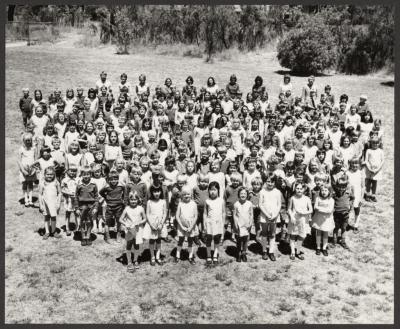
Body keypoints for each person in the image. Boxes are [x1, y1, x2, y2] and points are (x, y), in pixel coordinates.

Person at [119, 192, 146, 272]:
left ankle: (135, 260)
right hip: (129, 230)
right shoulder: (127, 209)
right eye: (131, 199)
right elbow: (120, 219)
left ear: (138, 200)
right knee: (129, 245)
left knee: (136, 245)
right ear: (129, 200)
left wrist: (139, 222)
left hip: (138, 229)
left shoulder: (141, 208)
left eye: (135, 199)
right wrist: (125, 224)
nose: (133, 201)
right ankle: (129, 262)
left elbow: (145, 219)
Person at [143, 184, 168, 266]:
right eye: (154, 191)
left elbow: (164, 213)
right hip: (152, 224)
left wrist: (161, 224)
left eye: (158, 191)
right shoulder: (149, 202)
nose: (157, 193)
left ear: (161, 192)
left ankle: (158, 256)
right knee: (152, 240)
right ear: (152, 192)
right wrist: (151, 225)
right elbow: (147, 214)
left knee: (158, 240)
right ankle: (152, 256)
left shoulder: (163, 202)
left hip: (160, 224)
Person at [99, 170, 126, 244]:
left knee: (119, 221)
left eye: (115, 179)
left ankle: (118, 235)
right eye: (111, 179)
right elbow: (101, 192)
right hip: (109, 207)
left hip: (119, 206)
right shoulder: (107, 187)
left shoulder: (121, 186)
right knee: (107, 222)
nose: (114, 181)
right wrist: (106, 197)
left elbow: (125, 190)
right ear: (109, 180)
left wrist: (123, 198)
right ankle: (107, 236)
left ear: (118, 178)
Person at [287, 181, 313, 260]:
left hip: (303, 219)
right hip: (294, 219)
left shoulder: (307, 199)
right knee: (293, 235)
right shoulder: (292, 198)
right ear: (295, 189)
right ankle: (292, 251)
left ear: (304, 189)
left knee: (302, 235)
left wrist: (304, 212)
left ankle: (298, 251)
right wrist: (291, 216)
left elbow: (311, 210)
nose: (299, 190)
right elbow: (289, 209)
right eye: (297, 188)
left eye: (301, 188)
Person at [259, 173, 281, 261]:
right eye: (268, 181)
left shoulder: (277, 192)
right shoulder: (262, 191)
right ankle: (264, 251)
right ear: (265, 182)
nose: (270, 183)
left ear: (275, 182)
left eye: (272, 182)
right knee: (264, 233)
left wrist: (275, 215)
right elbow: (260, 204)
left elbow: (279, 205)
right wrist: (267, 214)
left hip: (274, 216)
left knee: (272, 234)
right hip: (265, 216)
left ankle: (271, 252)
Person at [75, 166, 99, 246]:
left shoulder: (93, 185)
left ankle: (88, 236)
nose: (86, 176)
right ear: (81, 175)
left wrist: (95, 207)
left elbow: (96, 197)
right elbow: (76, 197)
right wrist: (77, 208)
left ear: (90, 175)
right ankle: (83, 237)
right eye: (84, 174)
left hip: (91, 207)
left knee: (89, 222)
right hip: (82, 207)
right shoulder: (79, 185)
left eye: (88, 174)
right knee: (82, 222)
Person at [175, 186, 199, 264]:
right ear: (182, 195)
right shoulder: (180, 204)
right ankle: (177, 255)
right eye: (184, 194)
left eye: (188, 194)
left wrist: (191, 227)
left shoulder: (193, 204)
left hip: (191, 226)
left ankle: (190, 256)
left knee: (190, 241)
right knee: (181, 240)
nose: (186, 196)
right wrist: (181, 226)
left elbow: (195, 216)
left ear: (191, 194)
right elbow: (177, 216)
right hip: (182, 226)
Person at [204, 181, 225, 265]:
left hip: (218, 223)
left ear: (218, 191)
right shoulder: (207, 201)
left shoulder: (221, 201)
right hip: (209, 222)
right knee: (208, 239)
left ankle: (215, 255)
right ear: (208, 191)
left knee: (217, 239)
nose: (212, 192)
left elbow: (223, 212)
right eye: (211, 190)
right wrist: (204, 223)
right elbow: (205, 213)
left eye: (214, 190)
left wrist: (223, 223)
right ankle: (209, 255)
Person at [38, 166, 62, 240]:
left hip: (54, 203)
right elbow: (40, 194)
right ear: (44, 174)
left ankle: (53, 231)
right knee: (47, 217)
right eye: (47, 174)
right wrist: (41, 204)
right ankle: (47, 231)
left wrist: (58, 203)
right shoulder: (42, 183)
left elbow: (60, 193)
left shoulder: (56, 182)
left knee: (53, 217)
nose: (49, 176)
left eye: (51, 174)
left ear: (54, 175)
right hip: (45, 203)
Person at [311, 183, 334, 256]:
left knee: (325, 233)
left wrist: (320, 209)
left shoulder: (331, 200)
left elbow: (329, 210)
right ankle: (318, 247)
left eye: (326, 190)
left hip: (326, 220)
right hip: (318, 218)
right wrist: (324, 209)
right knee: (318, 232)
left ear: (329, 191)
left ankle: (324, 248)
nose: (324, 192)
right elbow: (315, 207)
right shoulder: (318, 198)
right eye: (322, 190)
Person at [332, 175, 354, 249]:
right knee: (336, 228)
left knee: (344, 228)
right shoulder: (335, 194)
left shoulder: (348, 193)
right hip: (337, 214)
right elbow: (331, 201)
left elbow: (352, 198)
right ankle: (334, 241)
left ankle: (343, 241)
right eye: (339, 187)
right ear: (337, 186)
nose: (341, 189)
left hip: (345, 214)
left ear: (346, 186)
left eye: (343, 187)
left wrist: (350, 206)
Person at [233, 187, 253, 262]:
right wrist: (235, 224)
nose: (243, 195)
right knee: (238, 240)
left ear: (247, 195)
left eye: (244, 193)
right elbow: (234, 215)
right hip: (239, 224)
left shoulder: (249, 204)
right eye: (241, 193)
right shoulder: (236, 204)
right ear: (238, 195)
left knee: (245, 240)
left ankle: (244, 253)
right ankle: (238, 253)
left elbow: (251, 214)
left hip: (246, 224)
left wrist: (250, 223)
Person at [18, 133, 38, 207]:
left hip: (32, 169)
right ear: (23, 141)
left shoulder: (34, 149)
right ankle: (26, 199)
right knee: (25, 183)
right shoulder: (21, 149)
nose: (28, 142)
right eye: (26, 140)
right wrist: (23, 170)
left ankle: (30, 199)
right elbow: (19, 161)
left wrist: (34, 169)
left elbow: (36, 159)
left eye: (29, 140)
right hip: (24, 169)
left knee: (30, 183)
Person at [364, 137, 384, 202]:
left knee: (375, 182)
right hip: (369, 169)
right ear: (371, 143)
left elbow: (382, 161)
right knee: (368, 182)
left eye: (377, 143)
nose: (375, 144)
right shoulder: (368, 150)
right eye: (373, 143)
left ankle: (373, 195)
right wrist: (369, 168)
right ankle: (367, 194)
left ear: (379, 143)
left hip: (377, 170)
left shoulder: (380, 151)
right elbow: (366, 160)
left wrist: (377, 169)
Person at [61, 164, 79, 236]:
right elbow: (62, 189)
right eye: (71, 171)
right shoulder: (65, 180)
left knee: (77, 213)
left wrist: (76, 194)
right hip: (68, 200)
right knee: (68, 213)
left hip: (76, 199)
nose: (72, 173)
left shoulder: (78, 179)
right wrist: (68, 193)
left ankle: (77, 228)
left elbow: (80, 188)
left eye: (74, 171)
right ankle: (67, 228)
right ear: (67, 171)